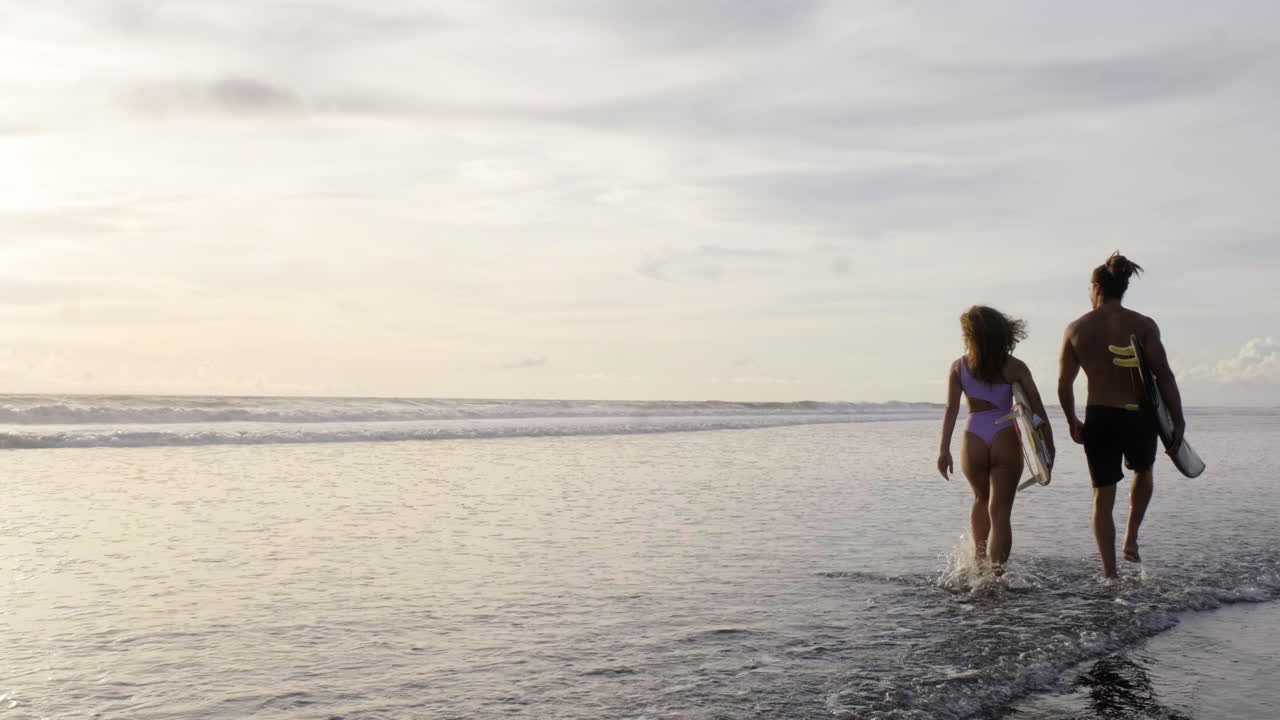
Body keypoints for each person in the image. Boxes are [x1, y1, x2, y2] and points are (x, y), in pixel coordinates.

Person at [1058, 252, 1185, 579]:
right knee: (1143, 472)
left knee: (1103, 495)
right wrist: (1177, 419)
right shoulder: (1143, 325)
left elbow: (1064, 383)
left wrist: (1072, 419)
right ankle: (1131, 537)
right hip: (1138, 416)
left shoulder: (1076, 329)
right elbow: (1164, 375)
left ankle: (1110, 573)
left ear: (1097, 287)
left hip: (1100, 416)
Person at [938, 306, 1054, 573]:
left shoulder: (959, 367)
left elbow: (951, 409)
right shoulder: (1015, 366)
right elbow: (1036, 407)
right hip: (1004, 435)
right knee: (1000, 512)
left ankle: (977, 569)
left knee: (980, 499)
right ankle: (997, 576)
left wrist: (943, 450)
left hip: (973, 437)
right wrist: (1048, 446)